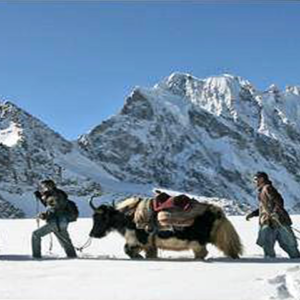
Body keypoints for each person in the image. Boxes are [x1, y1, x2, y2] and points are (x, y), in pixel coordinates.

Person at [246, 172, 300, 259]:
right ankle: (272, 263)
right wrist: (253, 214)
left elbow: (279, 201)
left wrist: (275, 212)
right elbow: (264, 208)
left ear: (262, 179)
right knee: (270, 244)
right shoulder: (262, 190)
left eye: (256, 179)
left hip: (279, 221)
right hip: (270, 222)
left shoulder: (267, 188)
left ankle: (295, 262)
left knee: (287, 245)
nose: (255, 181)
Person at [32, 179, 77, 259]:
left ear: (49, 186)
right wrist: (41, 198)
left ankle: (36, 257)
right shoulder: (56, 195)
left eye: (44, 187)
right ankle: (72, 257)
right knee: (65, 242)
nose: (43, 189)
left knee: (36, 235)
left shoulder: (55, 194)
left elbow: (55, 208)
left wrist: (45, 214)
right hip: (62, 222)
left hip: (56, 222)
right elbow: (52, 207)